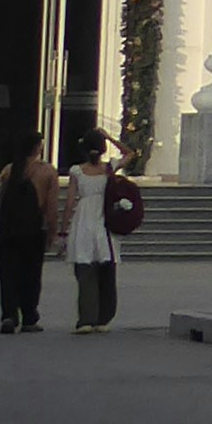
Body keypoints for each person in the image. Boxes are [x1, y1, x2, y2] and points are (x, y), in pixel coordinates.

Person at [62, 127, 126, 334]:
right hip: (104, 217)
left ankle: (86, 318)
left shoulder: (77, 171)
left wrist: (63, 229)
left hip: (84, 217)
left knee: (85, 267)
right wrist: (110, 137)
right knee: (106, 268)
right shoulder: (108, 169)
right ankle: (104, 317)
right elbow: (130, 154)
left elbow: (70, 201)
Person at [0, 132, 58, 335]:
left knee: (8, 273)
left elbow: (1, 200)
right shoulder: (47, 171)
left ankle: (9, 315)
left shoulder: (9, 170)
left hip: (10, 230)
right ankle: (29, 316)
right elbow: (51, 207)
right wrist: (52, 233)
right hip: (33, 229)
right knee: (31, 273)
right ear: (37, 147)